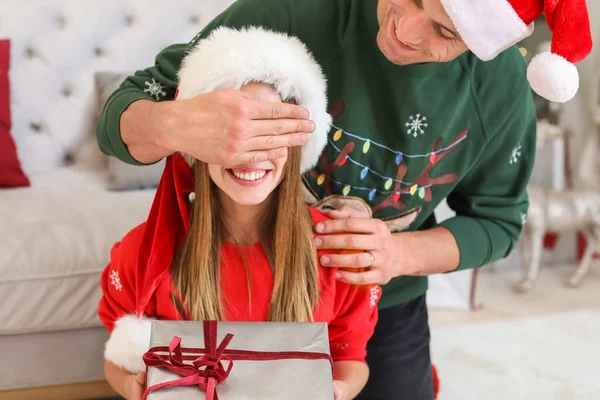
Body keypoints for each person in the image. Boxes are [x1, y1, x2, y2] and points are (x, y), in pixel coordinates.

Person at [96, 0, 593, 398]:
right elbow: (124, 112)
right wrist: (176, 123)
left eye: (446, 31)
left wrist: (399, 254)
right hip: (232, 273)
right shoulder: (292, 13)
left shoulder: (500, 87)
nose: (409, 28)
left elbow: (499, 223)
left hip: (374, 300)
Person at [99, 31, 380, 400]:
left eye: (270, 129)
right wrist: (134, 387)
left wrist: (339, 390)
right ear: (200, 144)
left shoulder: (337, 252)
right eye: (235, 131)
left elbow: (350, 358)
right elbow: (117, 363)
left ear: (298, 142)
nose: (251, 153)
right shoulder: (144, 253)